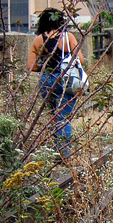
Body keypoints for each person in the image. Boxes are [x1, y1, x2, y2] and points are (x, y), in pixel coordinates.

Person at [26, 8, 83, 160]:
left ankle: (56, 151)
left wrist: (45, 67)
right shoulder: (68, 37)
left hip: (46, 80)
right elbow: (81, 60)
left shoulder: (38, 40)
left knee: (53, 116)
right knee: (63, 117)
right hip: (66, 80)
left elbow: (31, 65)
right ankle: (64, 155)